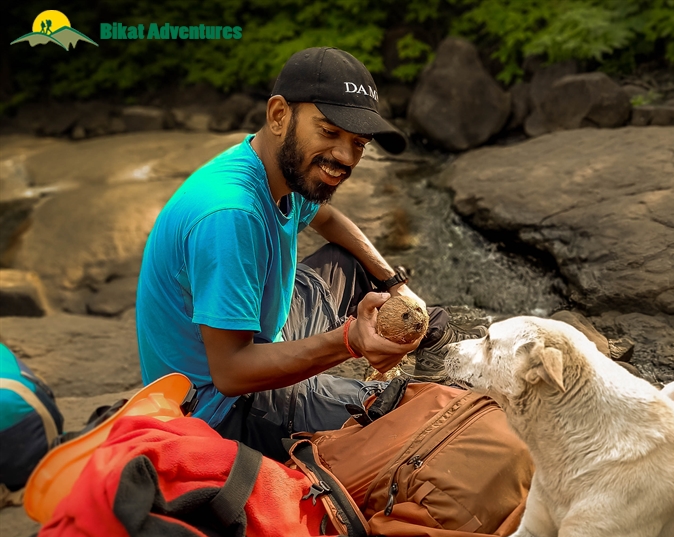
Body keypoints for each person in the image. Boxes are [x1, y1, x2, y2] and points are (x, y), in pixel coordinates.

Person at [135, 47, 482, 461]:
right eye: (329, 132)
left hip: (261, 337)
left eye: (358, 143)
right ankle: (391, 380)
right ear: (279, 115)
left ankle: (419, 337)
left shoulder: (277, 167)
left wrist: (395, 284)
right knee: (420, 415)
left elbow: (329, 219)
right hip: (222, 411)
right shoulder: (231, 213)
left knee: (349, 262)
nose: (345, 157)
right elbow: (230, 373)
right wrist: (349, 341)